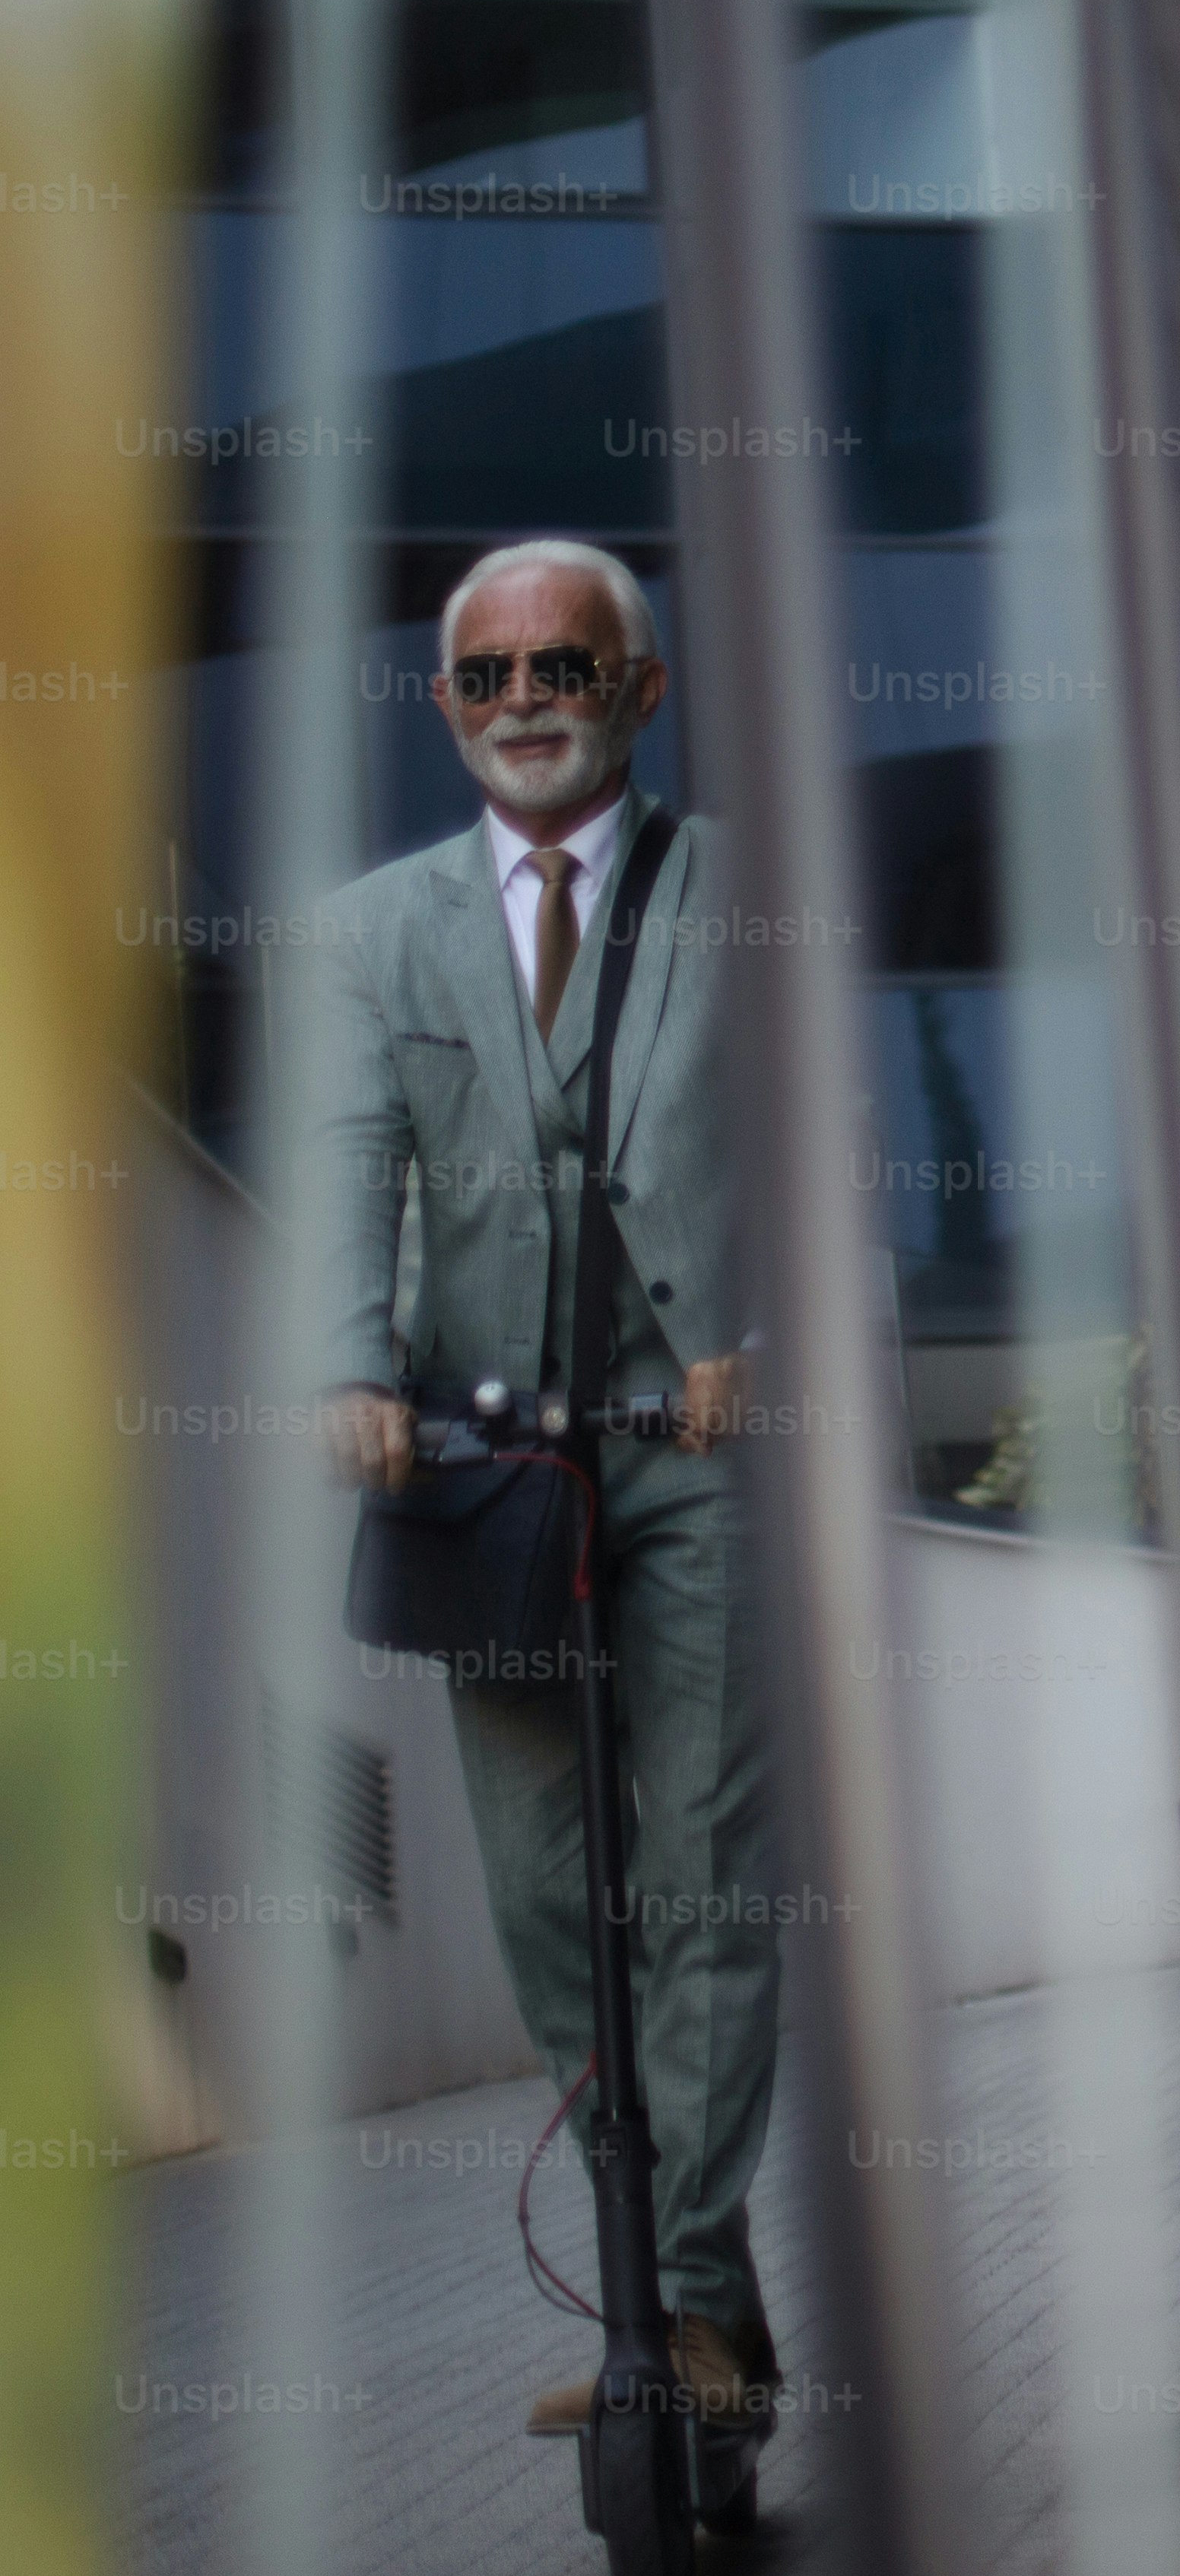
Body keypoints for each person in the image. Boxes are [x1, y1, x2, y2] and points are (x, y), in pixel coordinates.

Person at [316, 540, 781, 2435]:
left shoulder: (742, 891)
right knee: (541, 1904)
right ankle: (703, 2320)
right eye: (488, 673)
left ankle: (666, 2308)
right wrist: (352, 1361)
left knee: (707, 1889)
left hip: (695, 1450)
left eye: (562, 667)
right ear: (446, 703)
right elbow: (351, 1158)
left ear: (637, 690)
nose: (524, 698)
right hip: (489, 1470)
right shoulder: (376, 928)